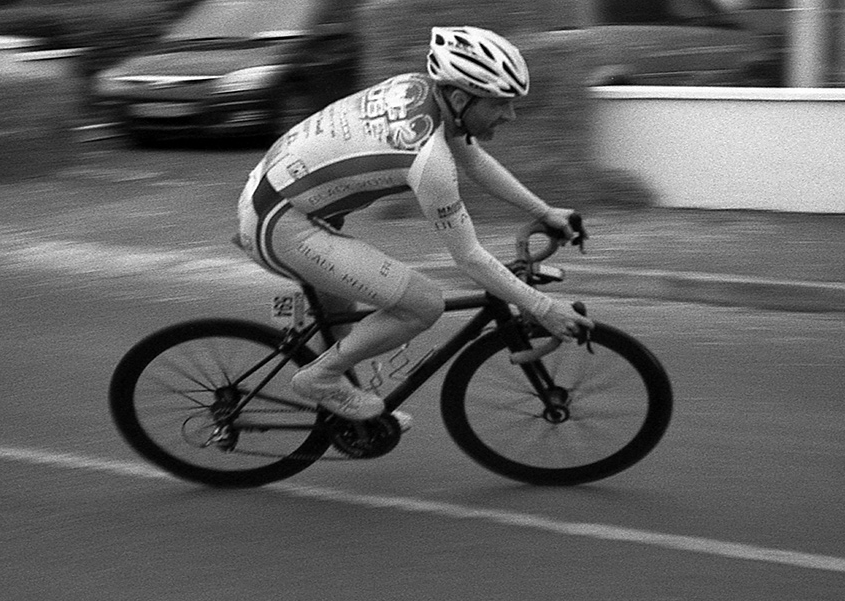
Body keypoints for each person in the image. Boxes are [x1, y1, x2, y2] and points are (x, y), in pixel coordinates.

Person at [235, 25, 594, 421]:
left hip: (276, 196)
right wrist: (544, 309)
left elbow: (473, 159)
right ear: (460, 97)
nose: (510, 114)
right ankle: (320, 379)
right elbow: (470, 257)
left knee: (344, 329)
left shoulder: (422, 89)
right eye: (499, 103)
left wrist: (542, 211)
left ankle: (339, 408)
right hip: (281, 224)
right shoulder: (427, 160)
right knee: (422, 304)